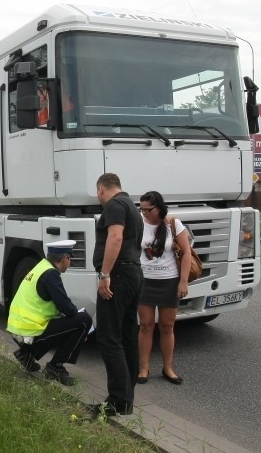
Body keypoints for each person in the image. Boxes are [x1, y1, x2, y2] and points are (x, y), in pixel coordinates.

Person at [90, 173, 144, 418]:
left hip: (118, 276)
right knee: (127, 334)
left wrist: (105, 275)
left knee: (109, 337)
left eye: (97, 192)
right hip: (133, 273)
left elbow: (116, 237)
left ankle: (117, 400)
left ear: (101, 188)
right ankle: (127, 394)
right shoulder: (132, 206)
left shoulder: (113, 206)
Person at [7, 240, 93, 386]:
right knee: (84, 320)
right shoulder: (51, 274)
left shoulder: (41, 267)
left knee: (68, 323)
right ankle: (55, 367)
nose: (69, 262)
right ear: (65, 258)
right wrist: (83, 331)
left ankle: (27, 354)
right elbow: (67, 307)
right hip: (31, 330)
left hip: (19, 328)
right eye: (70, 259)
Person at [137, 191, 190, 385]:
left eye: (148, 210)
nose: (144, 213)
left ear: (159, 207)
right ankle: (143, 368)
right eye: (141, 209)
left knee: (167, 327)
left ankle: (168, 368)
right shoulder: (139, 224)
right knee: (145, 326)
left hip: (169, 281)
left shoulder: (174, 224)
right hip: (145, 281)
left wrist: (183, 282)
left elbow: (186, 254)